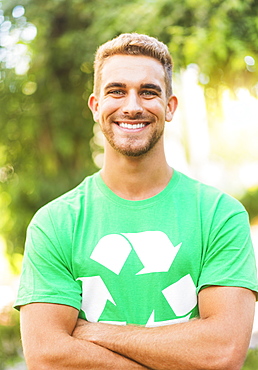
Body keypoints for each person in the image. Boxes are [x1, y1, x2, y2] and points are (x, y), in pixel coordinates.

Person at [15, 33, 258, 370]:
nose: (132, 105)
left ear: (169, 107)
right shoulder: (55, 222)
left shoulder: (220, 215)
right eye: (117, 91)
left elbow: (222, 352)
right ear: (96, 106)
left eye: (148, 92)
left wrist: (93, 333)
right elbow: (46, 356)